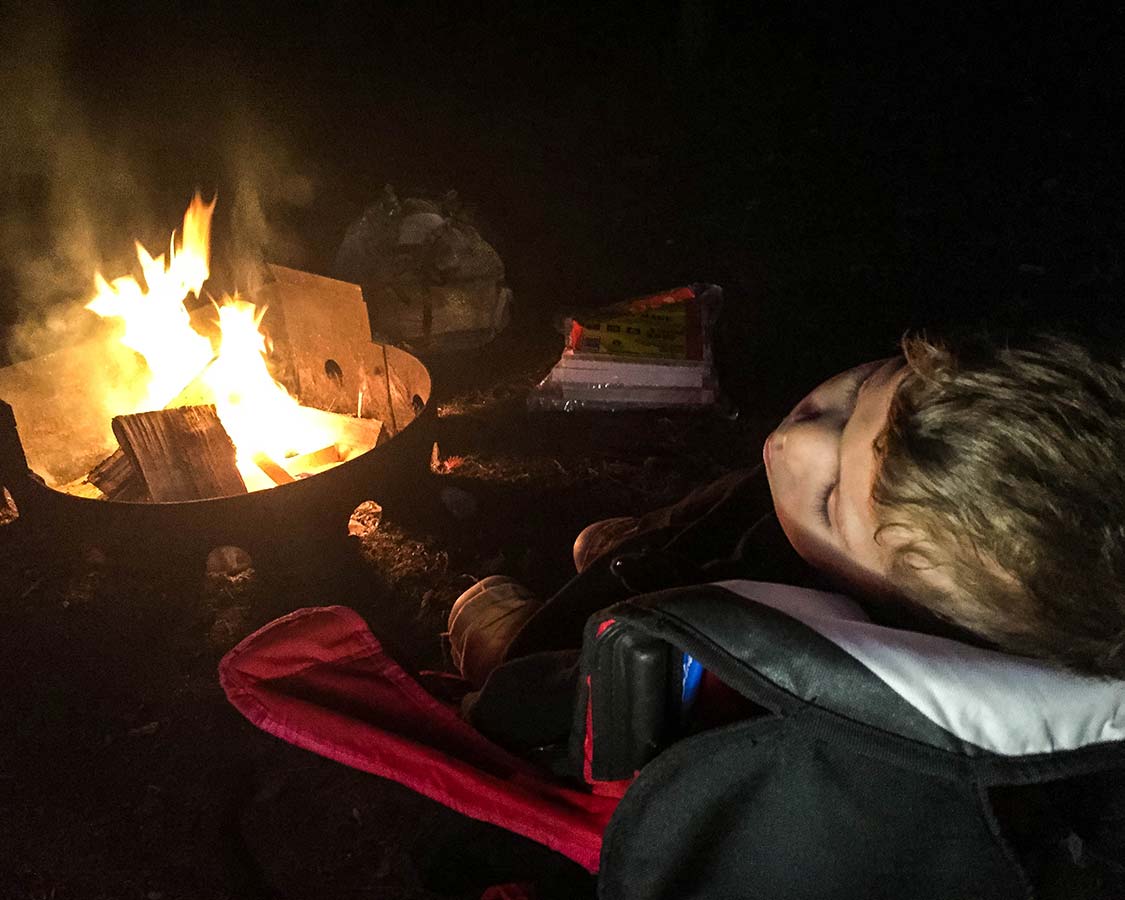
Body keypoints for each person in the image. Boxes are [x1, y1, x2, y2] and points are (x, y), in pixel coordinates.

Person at [450, 332, 1125, 698]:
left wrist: (527, 684)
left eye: (832, 499)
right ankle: (641, 543)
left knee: (594, 632)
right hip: (742, 525)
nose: (795, 438)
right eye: (863, 389)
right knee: (729, 502)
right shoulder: (832, 521)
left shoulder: (763, 629)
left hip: (666, 600)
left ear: (903, 616)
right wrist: (821, 510)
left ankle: (518, 647)